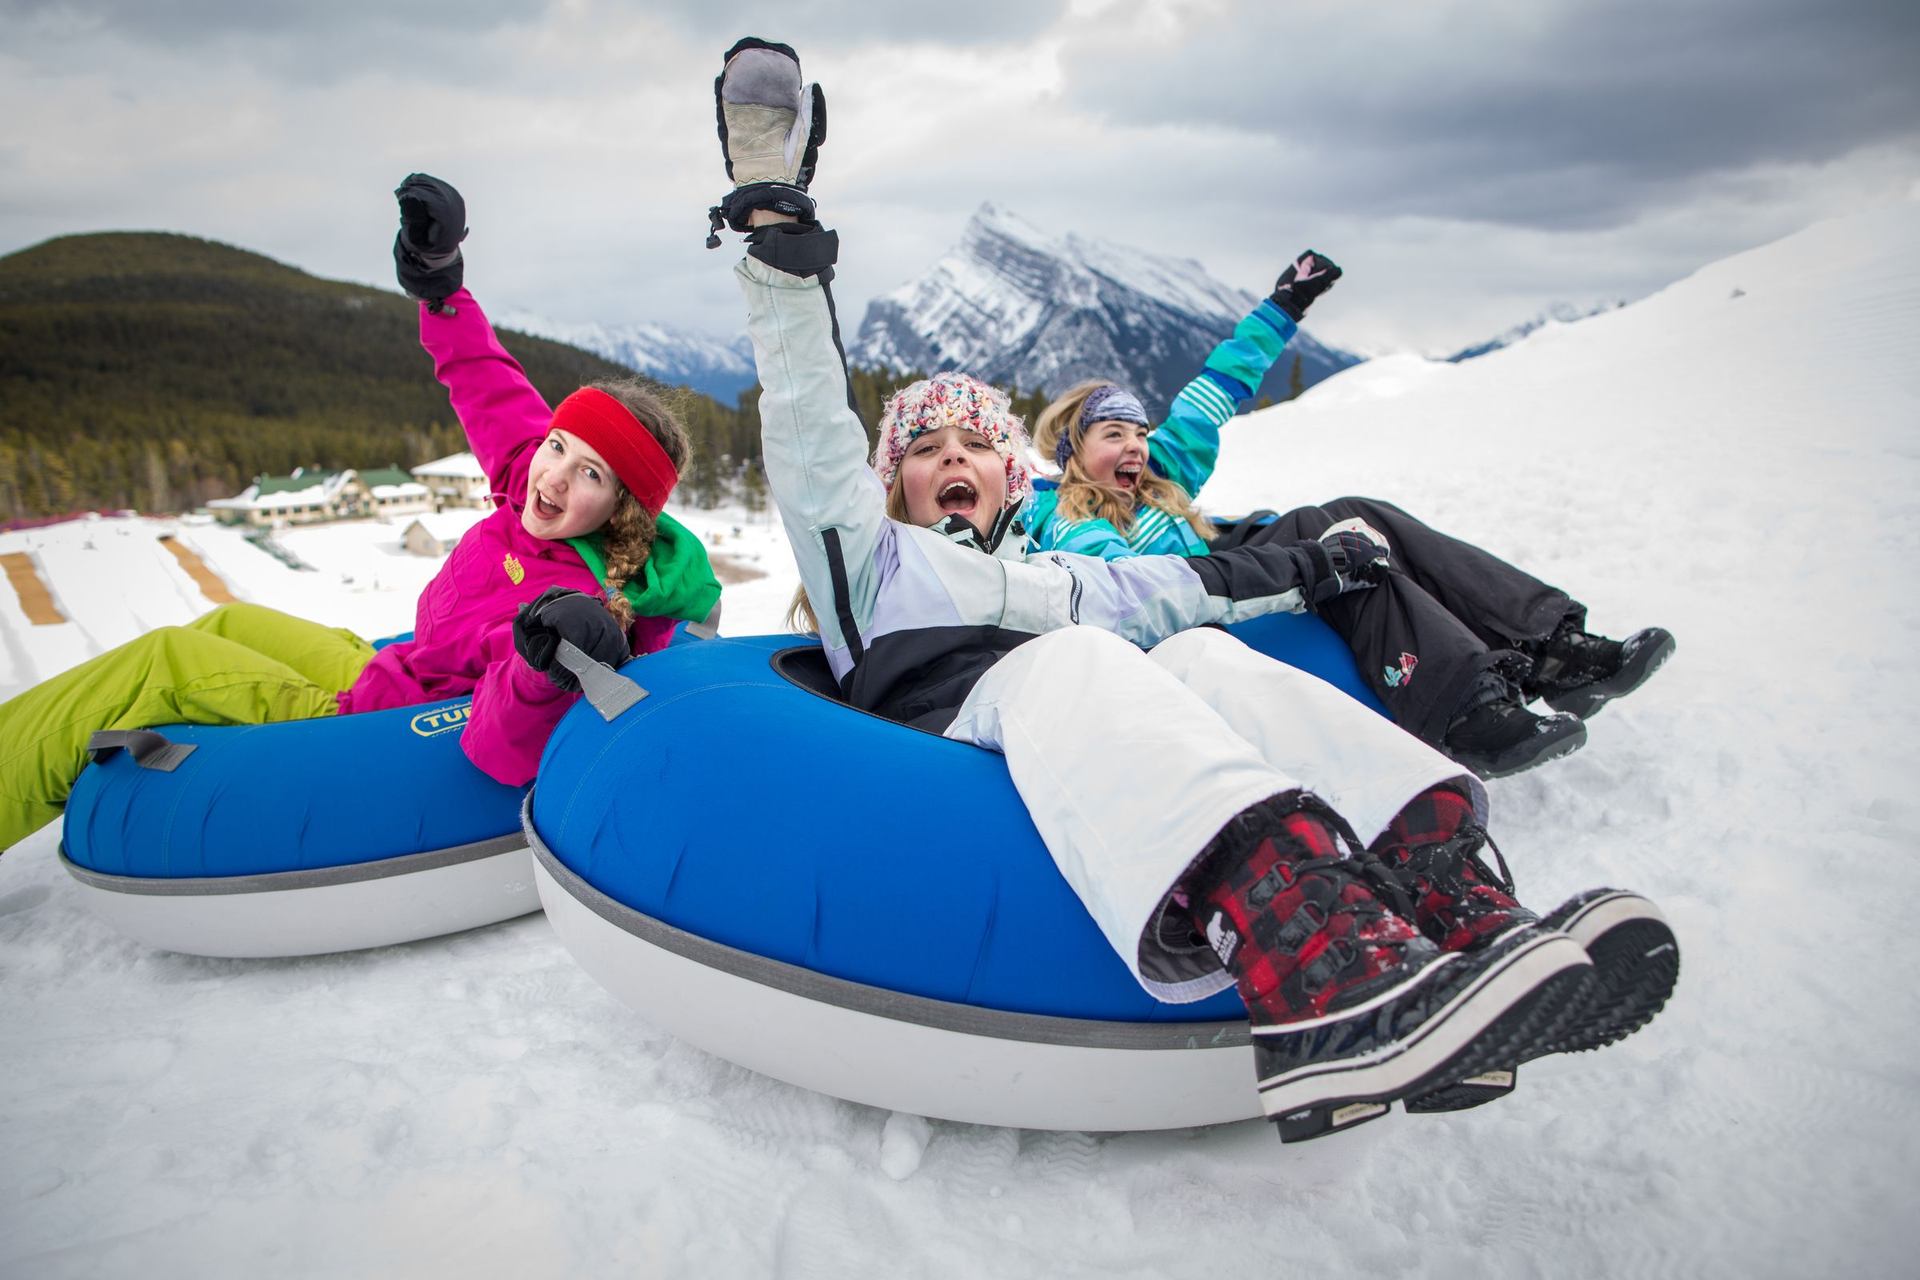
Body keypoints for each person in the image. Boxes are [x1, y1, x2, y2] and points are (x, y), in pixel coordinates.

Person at [705, 39, 1677, 1139]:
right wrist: (780, 245)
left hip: (1088, 711)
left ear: (1011, 471)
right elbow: (805, 426)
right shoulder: (869, 562)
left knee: (1198, 653)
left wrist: (1318, 561)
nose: (953, 459)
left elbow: (1187, 584)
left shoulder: (1052, 574)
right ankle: (1314, 973)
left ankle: (1449, 897)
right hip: (945, 742)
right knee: (1075, 658)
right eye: (924, 449)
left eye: (975, 442)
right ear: (893, 483)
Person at [0, 175, 721, 852]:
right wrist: (440, 284)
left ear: (621, 506)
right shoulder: (535, 487)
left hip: (376, 719)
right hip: (397, 665)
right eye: (558, 445)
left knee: (163, 659)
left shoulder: (568, 602)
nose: (553, 475)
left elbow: (502, 745)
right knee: (229, 622)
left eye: (589, 471)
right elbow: (489, 386)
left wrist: (546, 665)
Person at [1027, 283, 1675, 779]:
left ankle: (1553, 647)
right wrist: (1308, 565)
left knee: (1350, 516)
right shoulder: (1071, 527)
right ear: (1071, 451)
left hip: (1227, 577)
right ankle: (1465, 711)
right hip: (1197, 632)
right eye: (1114, 434)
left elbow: (1216, 387)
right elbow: (1147, 603)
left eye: (1139, 432)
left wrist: (1283, 304)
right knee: (1338, 555)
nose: (1136, 445)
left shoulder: (1159, 476)